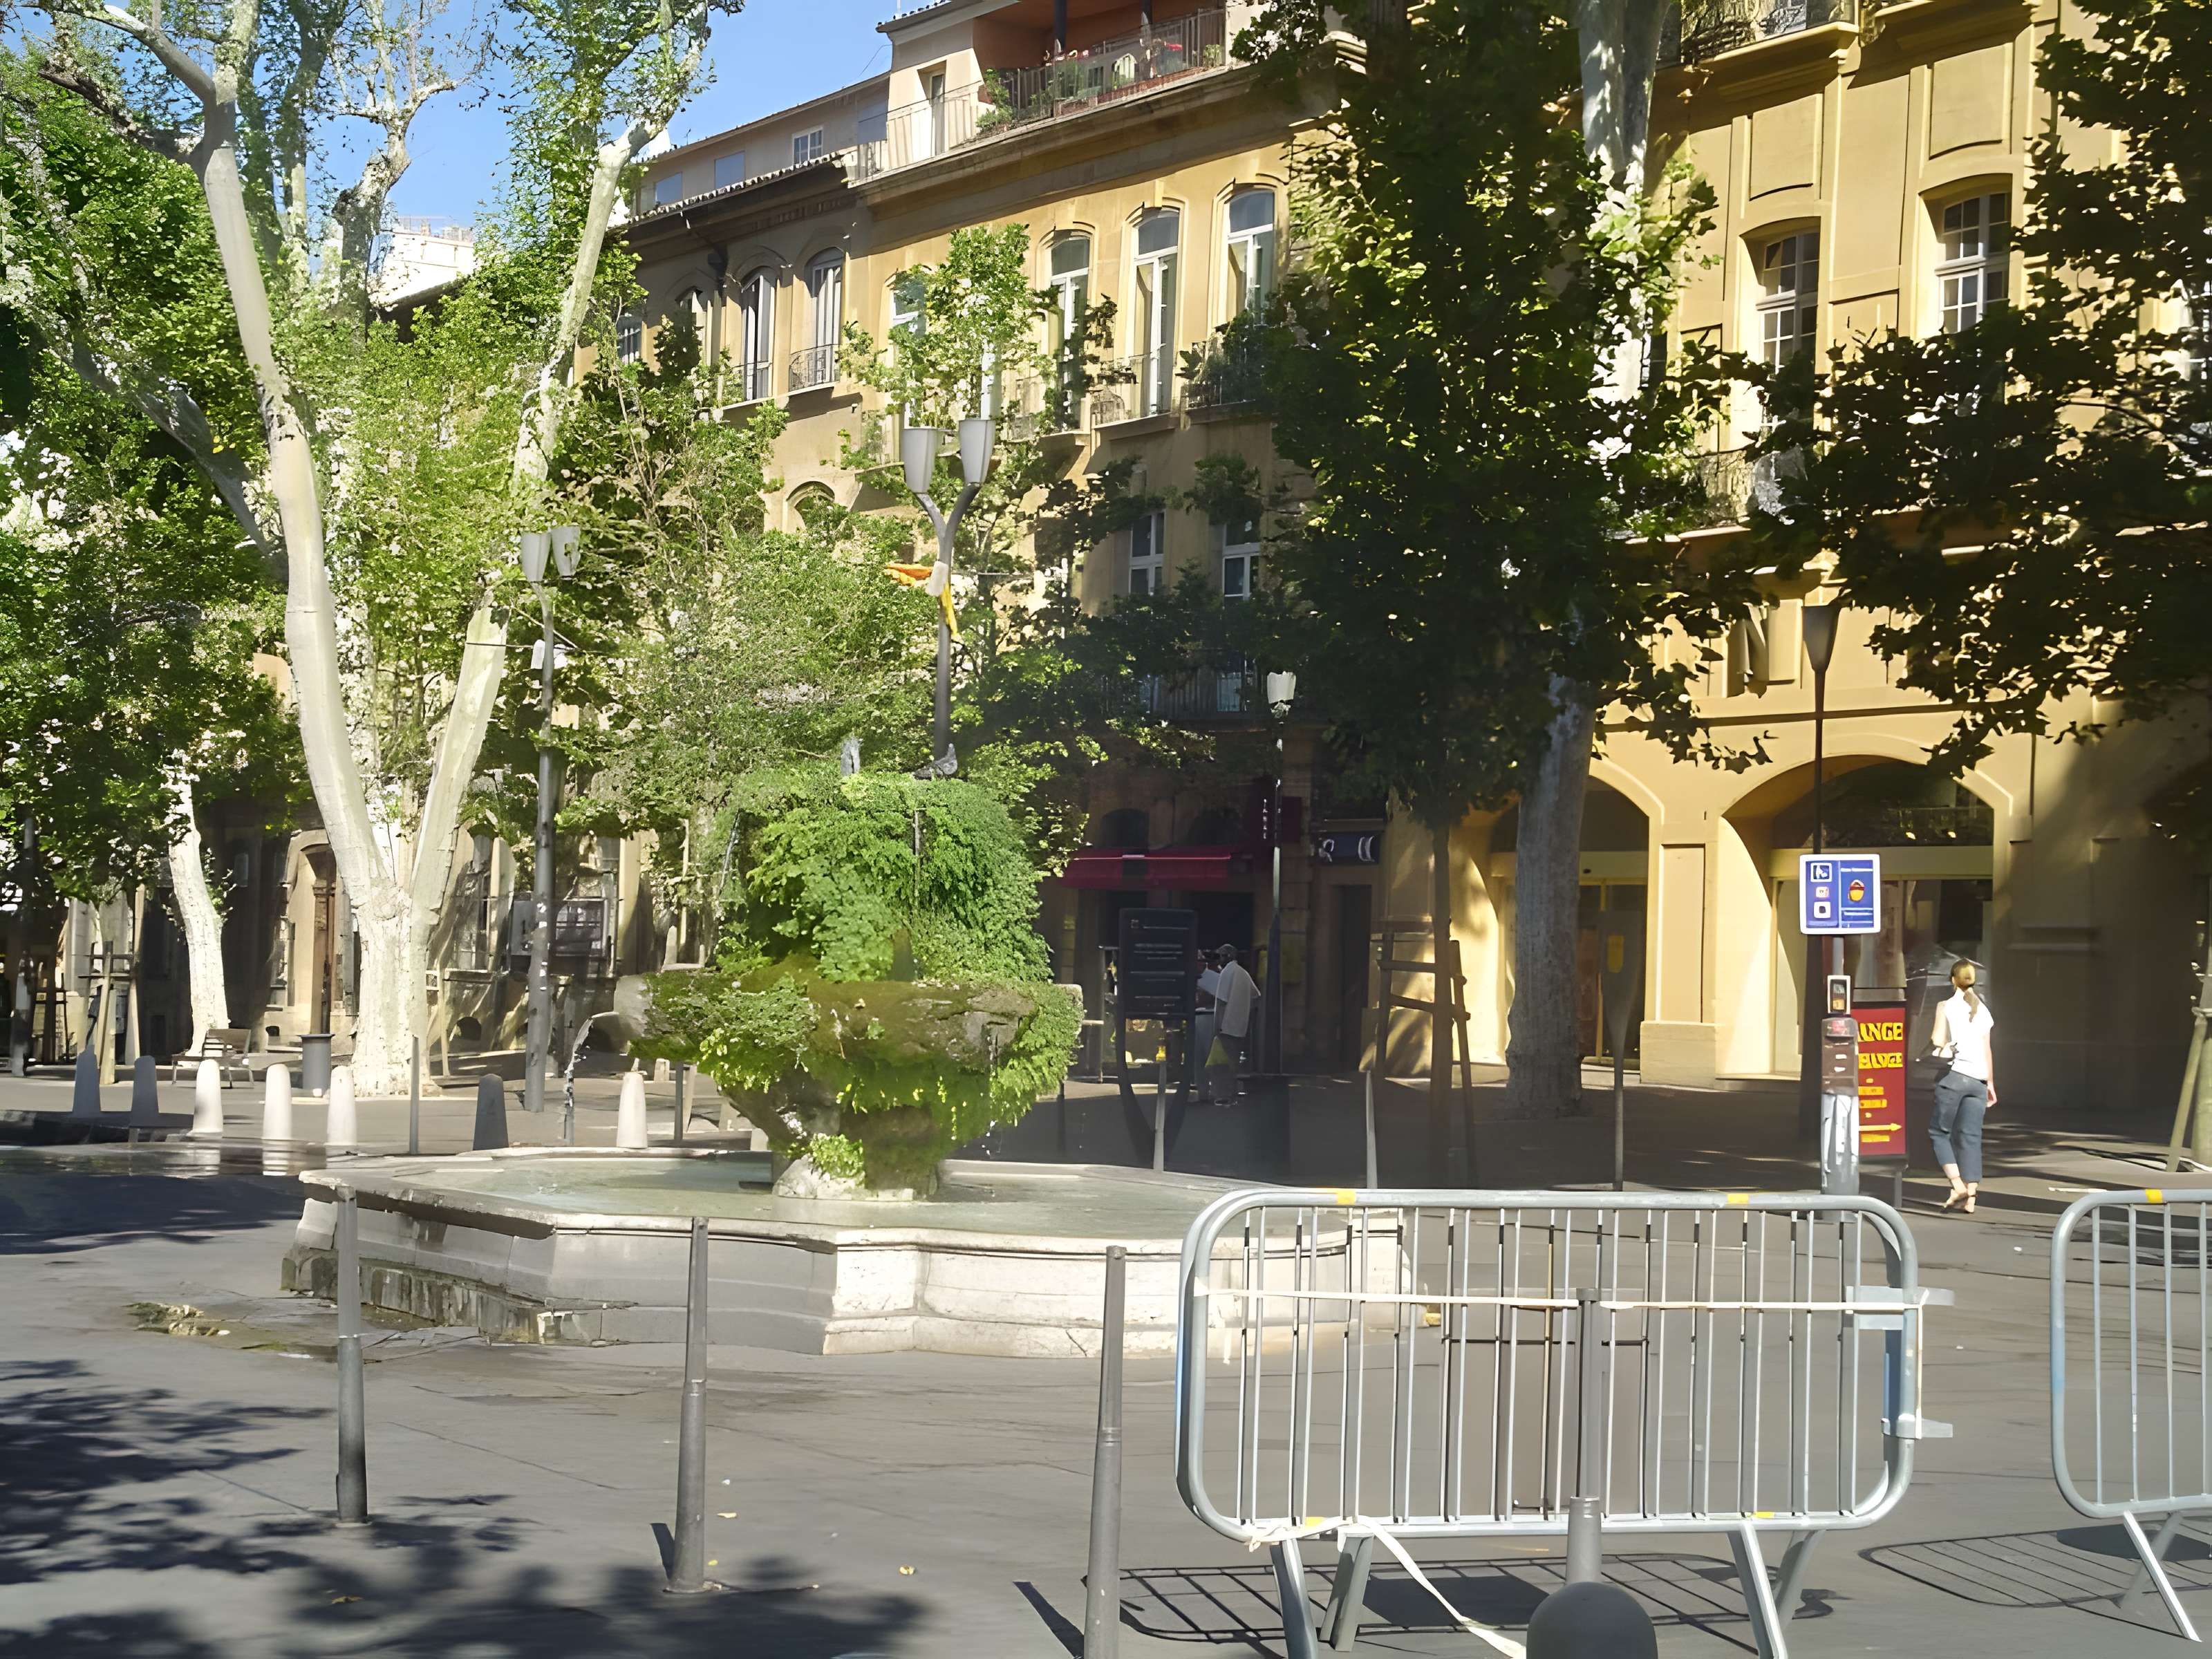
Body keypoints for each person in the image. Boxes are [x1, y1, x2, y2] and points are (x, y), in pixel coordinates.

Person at [1929, 959, 1996, 1214]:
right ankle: (1972, 1197)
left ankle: (1957, 1184)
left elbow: (1937, 1039)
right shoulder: (1984, 1010)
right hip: (1979, 1080)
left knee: (1939, 1132)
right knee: (1971, 1136)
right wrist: (1990, 1083)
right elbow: (1987, 1049)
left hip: (1954, 1077)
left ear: (1951, 979)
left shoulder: (1945, 1006)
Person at [1206, 945, 1259, 1105]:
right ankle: (1231, 1095)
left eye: (1221, 956)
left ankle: (1223, 1096)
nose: (1219, 960)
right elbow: (1256, 996)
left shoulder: (1227, 973)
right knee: (1233, 1062)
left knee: (1222, 1064)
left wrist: (1217, 1026)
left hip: (1227, 1026)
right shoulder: (1243, 973)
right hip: (1240, 1026)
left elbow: (1222, 1001)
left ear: (1227, 956)